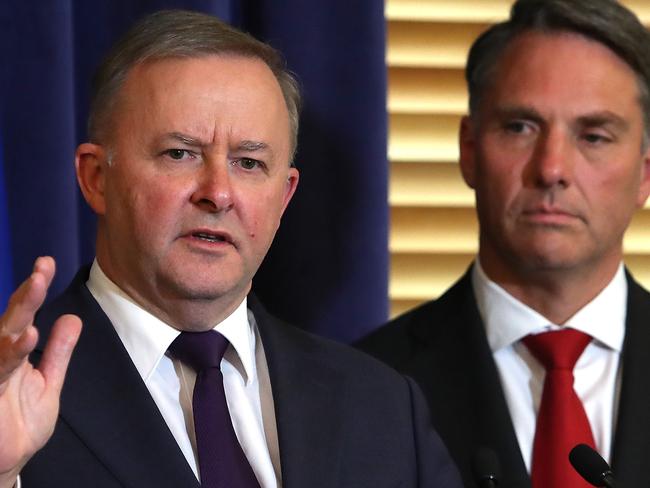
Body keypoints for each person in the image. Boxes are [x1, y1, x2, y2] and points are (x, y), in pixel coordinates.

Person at [0, 10, 462, 488]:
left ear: (284, 197)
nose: (218, 193)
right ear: (97, 178)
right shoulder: (11, 391)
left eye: (249, 162)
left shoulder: (382, 406)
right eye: (180, 153)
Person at [359, 0, 650, 487]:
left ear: (645, 174)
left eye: (594, 136)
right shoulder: (366, 385)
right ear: (468, 151)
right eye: (519, 127)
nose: (551, 169)